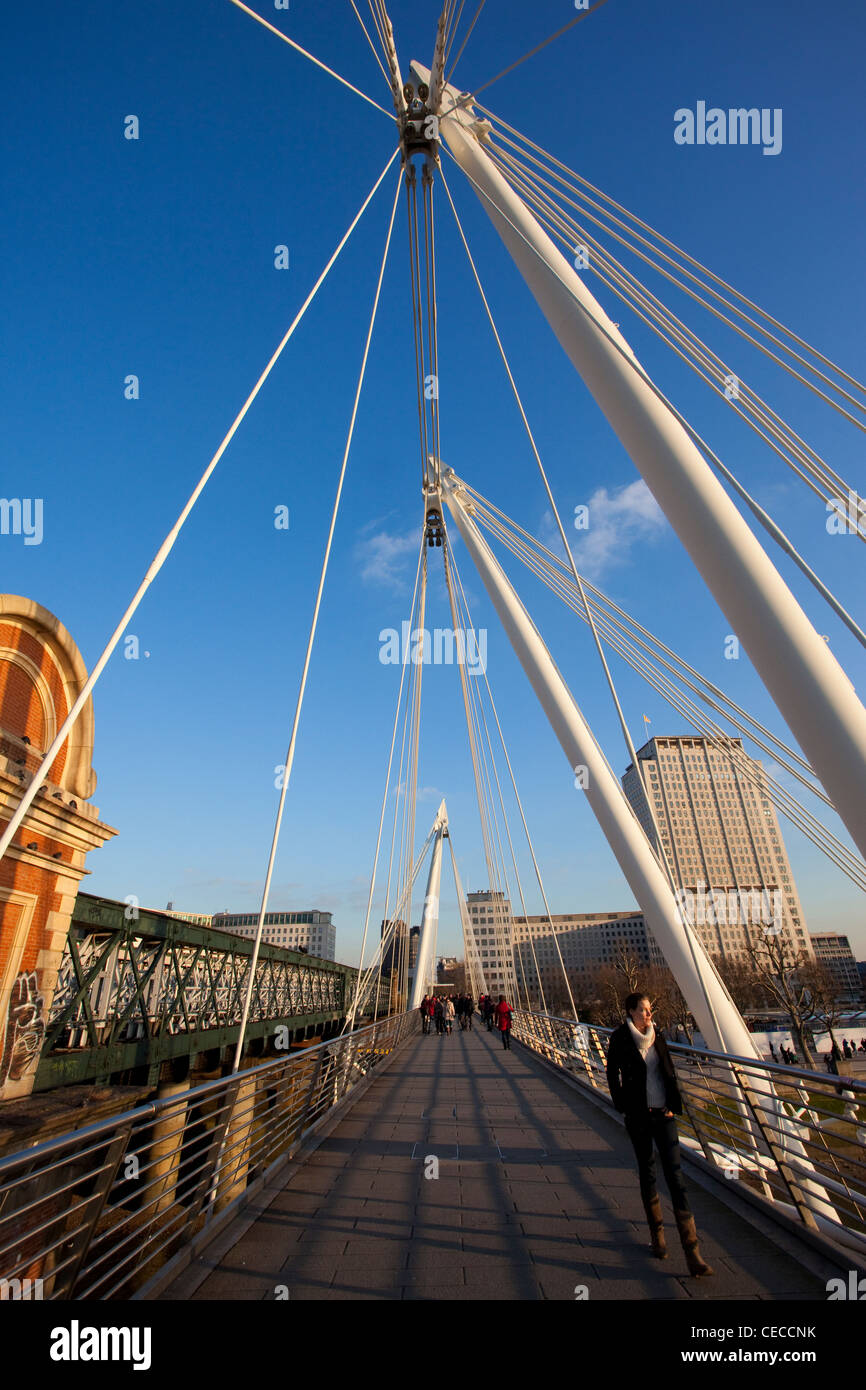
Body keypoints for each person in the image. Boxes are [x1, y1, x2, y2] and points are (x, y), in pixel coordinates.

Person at [606, 991, 713, 1277]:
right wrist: (624, 1108)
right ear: (630, 1012)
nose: (648, 1014)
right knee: (648, 1172)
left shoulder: (659, 1035)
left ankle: (693, 1252)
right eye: (643, 1010)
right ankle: (658, 1238)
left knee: (676, 1176)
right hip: (639, 1116)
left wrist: (672, 1105)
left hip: (663, 1115)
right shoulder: (619, 1039)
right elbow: (611, 1075)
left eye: (649, 1009)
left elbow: (668, 1071)